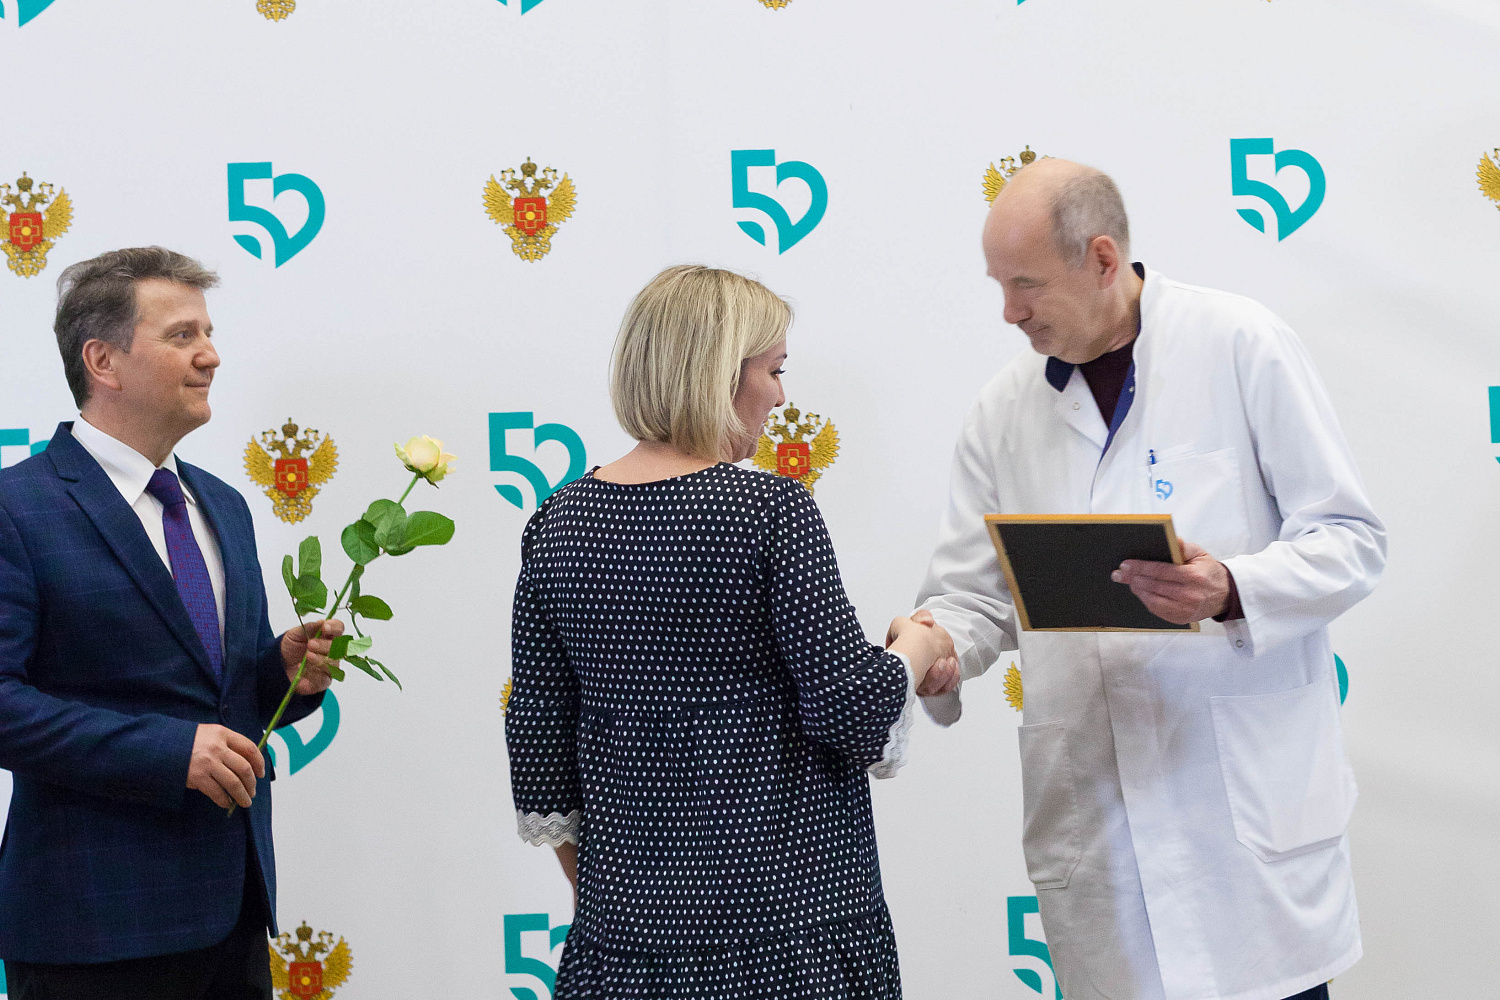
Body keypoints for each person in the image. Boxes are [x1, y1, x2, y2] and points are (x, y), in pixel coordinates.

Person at [909, 160, 1385, 1000]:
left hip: (1244, 831)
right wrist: (942, 644)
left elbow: (1350, 539)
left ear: (1102, 259)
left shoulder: (1240, 345)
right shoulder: (1002, 411)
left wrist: (1230, 587)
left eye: (1026, 285)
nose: (1009, 311)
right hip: (1100, 833)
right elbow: (976, 593)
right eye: (998, 285)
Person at [505, 265, 956, 999]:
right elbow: (850, 706)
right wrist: (919, 643)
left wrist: (617, 909)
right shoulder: (769, 512)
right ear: (718, 371)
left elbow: (538, 741)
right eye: (774, 371)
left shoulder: (557, 523)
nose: (780, 396)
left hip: (622, 947)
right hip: (791, 937)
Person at [0, 247, 344, 999]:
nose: (211, 356)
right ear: (103, 361)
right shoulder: (16, 509)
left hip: (233, 922)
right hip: (91, 934)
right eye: (182, 335)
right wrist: (166, 752)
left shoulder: (224, 505)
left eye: (209, 333)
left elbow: (219, 694)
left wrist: (282, 675)